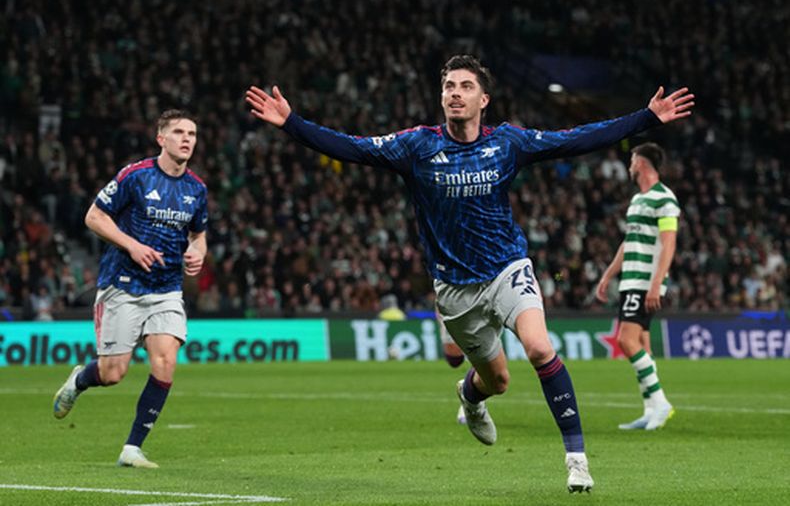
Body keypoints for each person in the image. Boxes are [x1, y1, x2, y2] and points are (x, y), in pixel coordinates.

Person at [245, 54, 693, 492]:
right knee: (496, 380)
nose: (455, 94)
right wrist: (292, 124)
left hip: (507, 268)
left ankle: (576, 461)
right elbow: (353, 147)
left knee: (539, 348)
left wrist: (644, 119)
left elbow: (575, 138)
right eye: (449, 87)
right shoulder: (416, 146)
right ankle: (471, 396)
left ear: (484, 101)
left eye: (466, 87)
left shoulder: (508, 142)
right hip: (456, 290)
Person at [52, 110, 208, 468]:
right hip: (123, 284)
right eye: (179, 132)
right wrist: (131, 245)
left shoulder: (196, 189)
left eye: (193, 134)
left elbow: (198, 235)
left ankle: (132, 448)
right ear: (161, 139)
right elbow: (93, 216)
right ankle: (79, 379)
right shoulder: (135, 176)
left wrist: (196, 254)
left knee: (166, 360)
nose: (187, 139)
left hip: (167, 287)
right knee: (113, 373)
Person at [595, 142, 679, 431]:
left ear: (641, 163)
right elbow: (628, 242)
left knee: (626, 341)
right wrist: (608, 274)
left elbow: (669, 243)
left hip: (645, 281)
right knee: (641, 342)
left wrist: (656, 282)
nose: (629, 165)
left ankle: (661, 402)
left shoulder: (664, 198)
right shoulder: (637, 201)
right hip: (631, 278)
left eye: (632, 160)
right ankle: (650, 409)